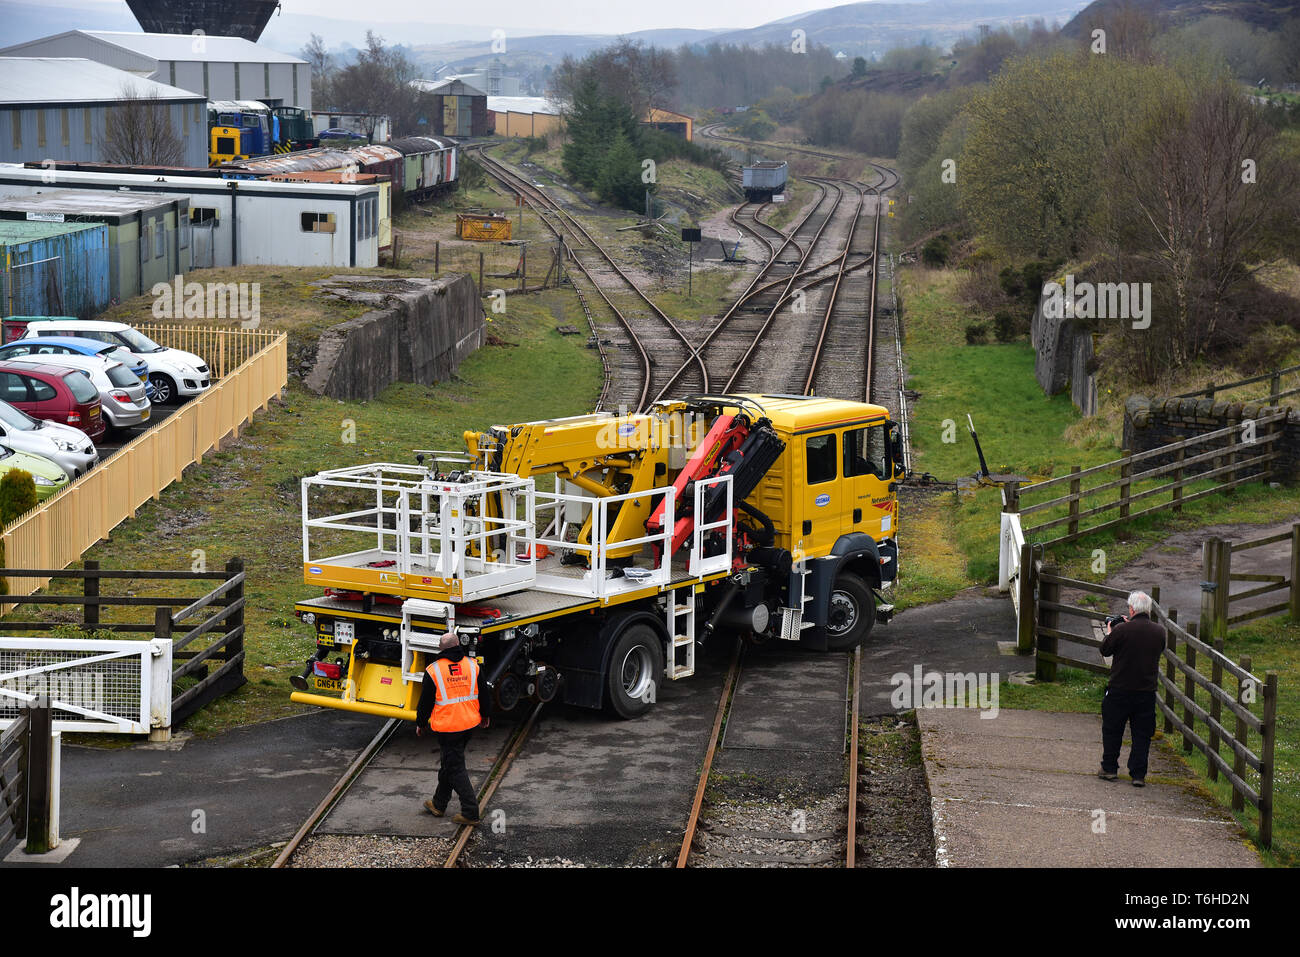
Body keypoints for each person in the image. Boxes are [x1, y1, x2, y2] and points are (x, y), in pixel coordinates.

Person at [1099, 590, 1166, 787]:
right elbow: (1158, 649)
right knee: (1142, 734)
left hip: (1120, 688)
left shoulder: (1121, 631)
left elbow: (1105, 649)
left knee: (1112, 730)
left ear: (1131, 609)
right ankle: (1138, 774)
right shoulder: (1159, 632)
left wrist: (1112, 632)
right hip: (1146, 691)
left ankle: (1109, 768)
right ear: (1149, 610)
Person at [416, 633, 482, 825]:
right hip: (469, 724)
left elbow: (425, 702)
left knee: (455, 768)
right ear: (458, 645)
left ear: (441, 649)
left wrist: (421, 724)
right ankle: (438, 804)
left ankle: (470, 812)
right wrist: (485, 715)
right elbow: (483, 693)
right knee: (449, 764)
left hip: (448, 727)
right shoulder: (472, 665)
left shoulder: (434, 670)